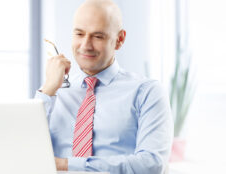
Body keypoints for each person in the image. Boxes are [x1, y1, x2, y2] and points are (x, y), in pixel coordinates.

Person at [35, 0, 173, 173]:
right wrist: (47, 90)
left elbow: (151, 164)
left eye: (98, 36)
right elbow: (22, 150)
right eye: (79, 34)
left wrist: (66, 165)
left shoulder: (147, 92)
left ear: (119, 39)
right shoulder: (53, 92)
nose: (85, 45)